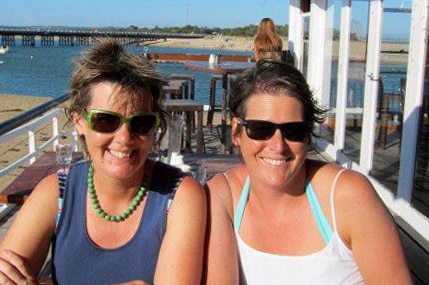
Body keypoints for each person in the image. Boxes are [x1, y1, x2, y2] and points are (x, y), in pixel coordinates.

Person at [0, 39, 206, 285]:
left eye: (141, 123)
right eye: (106, 121)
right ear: (80, 122)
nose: (124, 138)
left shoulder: (179, 195)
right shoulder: (55, 192)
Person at [204, 60, 412, 284]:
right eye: (260, 129)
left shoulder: (347, 197)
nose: (278, 146)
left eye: (293, 131)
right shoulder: (222, 195)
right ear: (236, 132)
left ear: (307, 136)